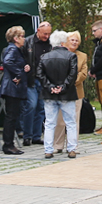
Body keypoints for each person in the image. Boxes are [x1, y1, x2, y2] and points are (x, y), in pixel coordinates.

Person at [38, 30, 79, 159]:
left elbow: (40, 74)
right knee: (71, 122)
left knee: (50, 123)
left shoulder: (44, 57)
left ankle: (48, 150)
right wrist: (63, 87)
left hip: (49, 94)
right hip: (67, 94)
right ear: (63, 42)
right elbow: (72, 75)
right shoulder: (71, 56)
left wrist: (50, 87)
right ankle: (71, 149)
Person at [54, 31, 89, 154]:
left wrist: (70, 82)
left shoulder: (83, 56)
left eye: (76, 40)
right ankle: (57, 145)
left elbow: (83, 73)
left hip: (76, 92)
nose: (74, 42)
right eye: (72, 40)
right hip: (61, 92)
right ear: (66, 42)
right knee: (60, 120)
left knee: (74, 120)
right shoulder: (60, 54)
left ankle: (72, 146)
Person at [22, 22, 53, 146]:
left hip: (44, 80)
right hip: (32, 79)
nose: (47, 36)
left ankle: (36, 135)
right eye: (45, 33)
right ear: (38, 30)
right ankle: (27, 136)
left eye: (49, 33)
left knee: (41, 109)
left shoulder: (51, 43)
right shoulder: (28, 42)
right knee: (31, 105)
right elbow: (22, 58)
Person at [0, 26, 29, 155]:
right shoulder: (13, 49)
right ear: (16, 38)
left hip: (12, 87)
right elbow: (7, 62)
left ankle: (9, 143)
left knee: (12, 115)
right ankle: (8, 144)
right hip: (12, 87)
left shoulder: (16, 50)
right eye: (22, 36)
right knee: (11, 116)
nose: (24, 39)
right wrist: (19, 74)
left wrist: (24, 68)